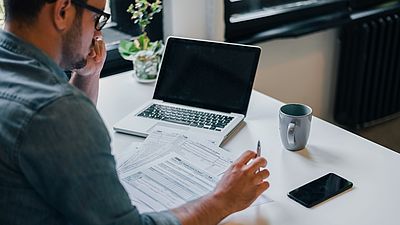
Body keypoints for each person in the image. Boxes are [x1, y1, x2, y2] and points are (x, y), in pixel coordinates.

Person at [0, 0, 270, 225]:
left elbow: (51, 139)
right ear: (62, 12)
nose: (97, 35)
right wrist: (223, 199)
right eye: (97, 19)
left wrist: (86, 77)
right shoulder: (58, 111)